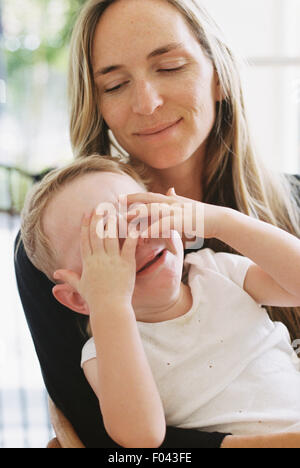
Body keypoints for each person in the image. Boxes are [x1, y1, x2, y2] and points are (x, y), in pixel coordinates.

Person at [14, 0, 300, 448]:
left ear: (219, 75)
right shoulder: (53, 241)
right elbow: (114, 444)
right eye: (115, 84)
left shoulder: (213, 268)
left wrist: (218, 222)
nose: (146, 102)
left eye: (169, 66)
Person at [20, 155, 300, 448]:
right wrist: (110, 305)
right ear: (78, 297)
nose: (136, 238)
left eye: (141, 216)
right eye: (105, 241)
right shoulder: (104, 353)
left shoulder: (216, 271)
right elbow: (141, 438)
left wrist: (221, 222)